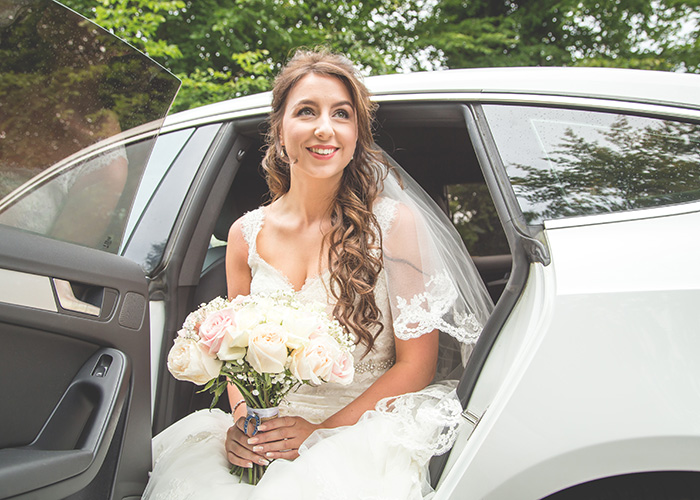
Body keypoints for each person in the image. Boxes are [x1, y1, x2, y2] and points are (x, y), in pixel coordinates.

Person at [143, 48, 493, 500]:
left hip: (363, 429)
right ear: (281, 130)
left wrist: (317, 434)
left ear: (355, 136)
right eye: (306, 111)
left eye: (341, 114)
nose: (324, 128)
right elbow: (236, 361)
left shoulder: (394, 226)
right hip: (270, 437)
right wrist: (249, 428)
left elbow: (416, 364)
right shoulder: (244, 235)